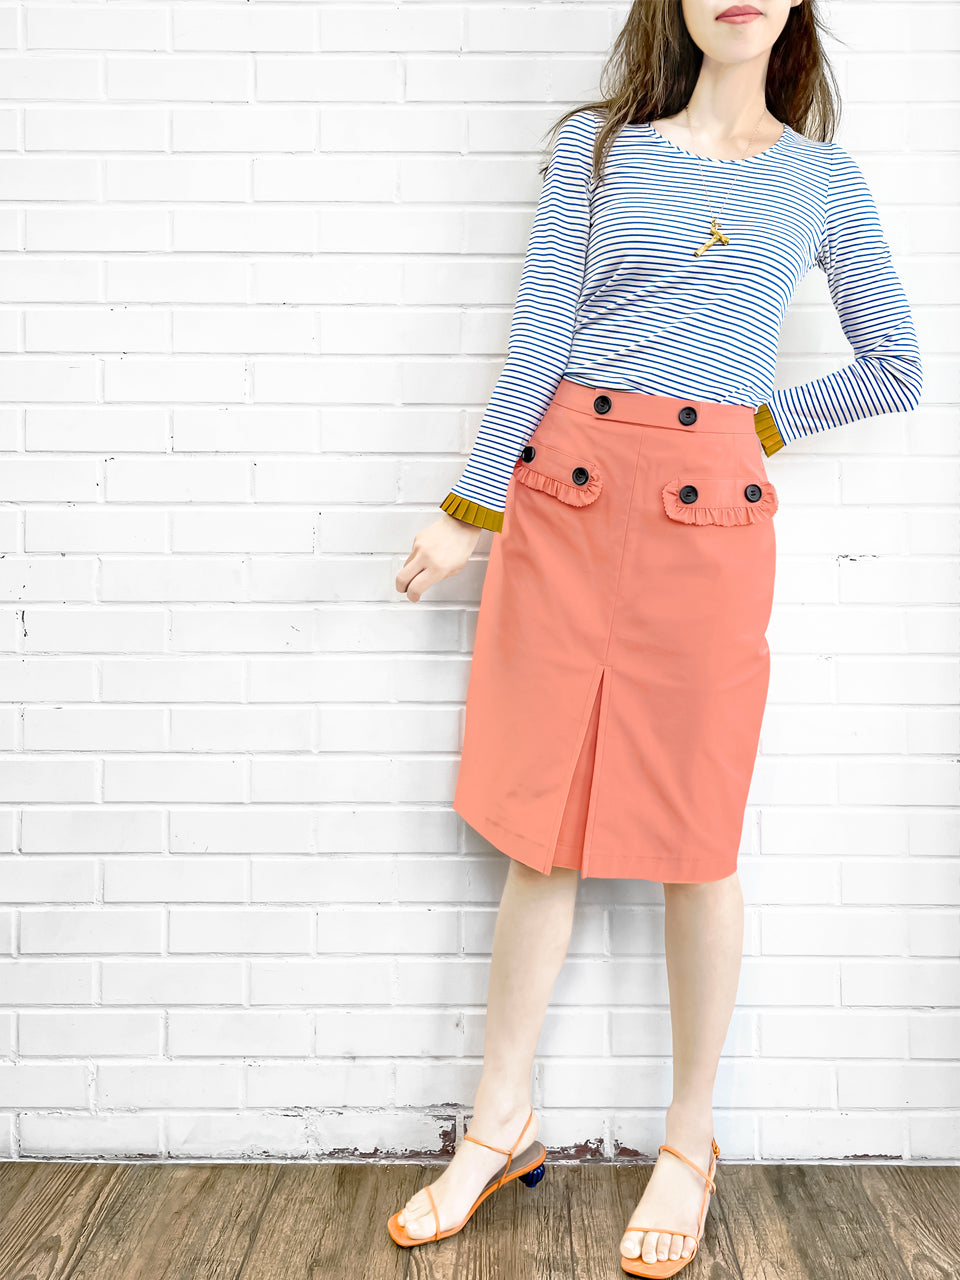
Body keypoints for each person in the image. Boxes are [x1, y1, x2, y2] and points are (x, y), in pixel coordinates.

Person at [390, 1, 923, 1275]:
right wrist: (471, 506)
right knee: (542, 820)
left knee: (696, 835)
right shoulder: (602, 148)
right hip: (565, 492)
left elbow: (897, 366)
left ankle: (690, 1139)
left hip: (707, 515)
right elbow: (539, 340)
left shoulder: (822, 179)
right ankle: (499, 1120)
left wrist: (752, 426)